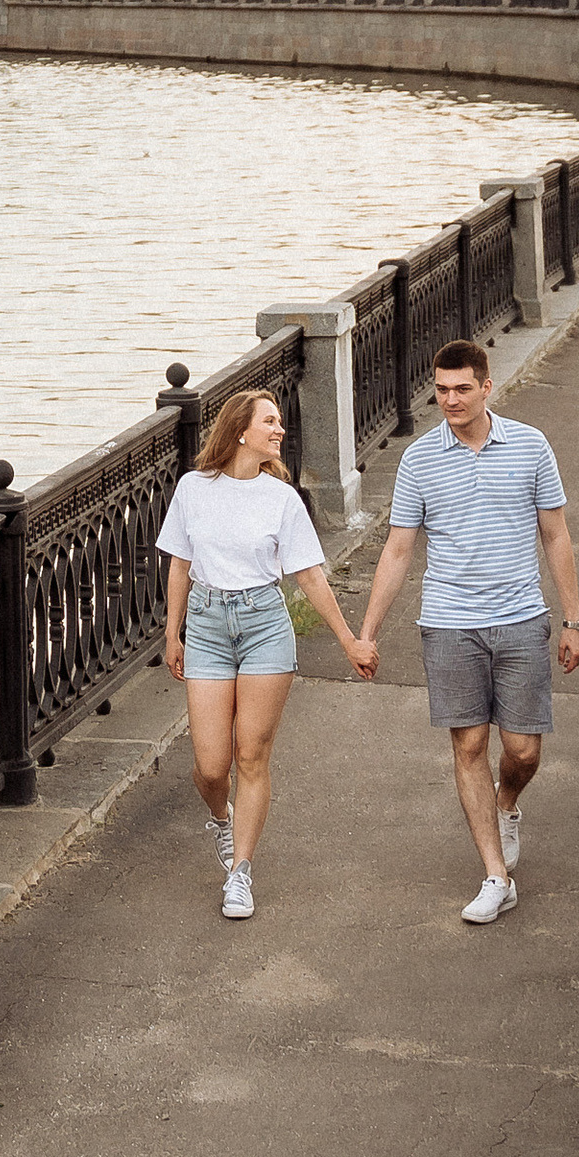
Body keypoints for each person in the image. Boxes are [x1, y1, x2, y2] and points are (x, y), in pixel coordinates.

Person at [358, 339, 579, 925]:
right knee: (468, 747)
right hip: (449, 624)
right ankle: (495, 876)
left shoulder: (531, 446)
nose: (450, 399)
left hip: (520, 619)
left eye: (462, 388)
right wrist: (368, 632)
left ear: (487, 386)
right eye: (441, 389)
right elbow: (399, 549)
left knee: (523, 750)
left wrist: (573, 620)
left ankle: (507, 803)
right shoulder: (419, 460)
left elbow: (555, 536)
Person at [161, 388, 375, 923]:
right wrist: (172, 633)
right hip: (207, 626)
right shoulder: (193, 489)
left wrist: (348, 639)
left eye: (280, 422)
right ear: (240, 430)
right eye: (271, 422)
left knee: (252, 755)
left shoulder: (282, 499)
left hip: (264, 626)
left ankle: (241, 873)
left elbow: (308, 574)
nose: (280, 430)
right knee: (211, 767)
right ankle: (221, 819)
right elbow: (180, 565)